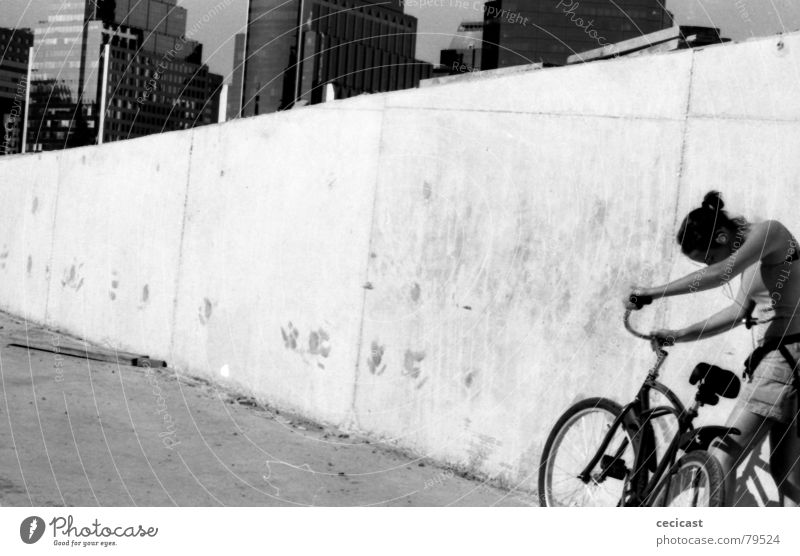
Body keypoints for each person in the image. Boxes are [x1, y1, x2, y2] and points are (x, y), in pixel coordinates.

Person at [625, 191, 800, 507]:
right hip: (787, 359)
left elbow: (720, 274)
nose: (710, 265)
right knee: (788, 477)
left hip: (783, 358)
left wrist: (652, 293)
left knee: (721, 455)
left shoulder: (770, 233)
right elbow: (736, 313)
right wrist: (679, 334)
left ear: (722, 235)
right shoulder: (754, 263)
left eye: (708, 257)